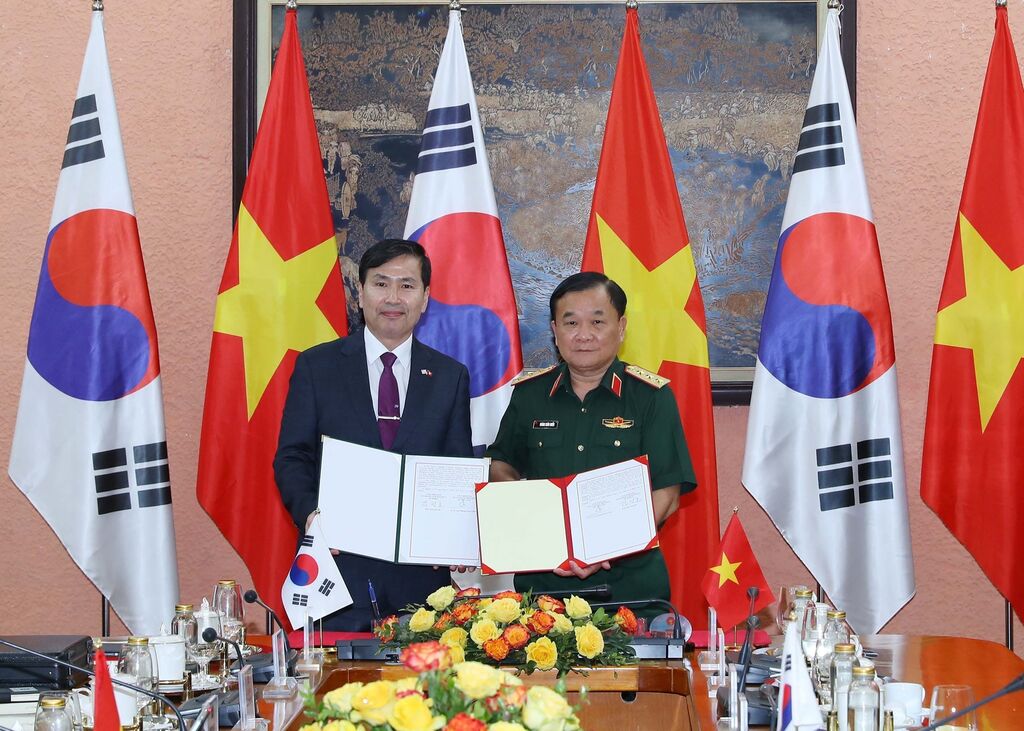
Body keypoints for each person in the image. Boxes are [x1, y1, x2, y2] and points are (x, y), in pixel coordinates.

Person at [274, 239, 473, 631]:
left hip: (421, 588)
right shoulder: (317, 367)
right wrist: (311, 515)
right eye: (381, 284)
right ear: (360, 293)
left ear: (425, 298)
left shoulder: (450, 377)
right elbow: (292, 457)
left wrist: (456, 535)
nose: (393, 297)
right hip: (336, 575)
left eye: (407, 285)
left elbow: (456, 467)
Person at [485, 272, 697, 610]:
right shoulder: (529, 395)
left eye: (597, 322)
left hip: (631, 592)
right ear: (555, 331)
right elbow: (502, 466)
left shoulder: (650, 396)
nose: (584, 335)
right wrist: (530, 520)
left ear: (621, 327)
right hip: (543, 592)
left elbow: (667, 494)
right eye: (571, 323)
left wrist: (605, 548)